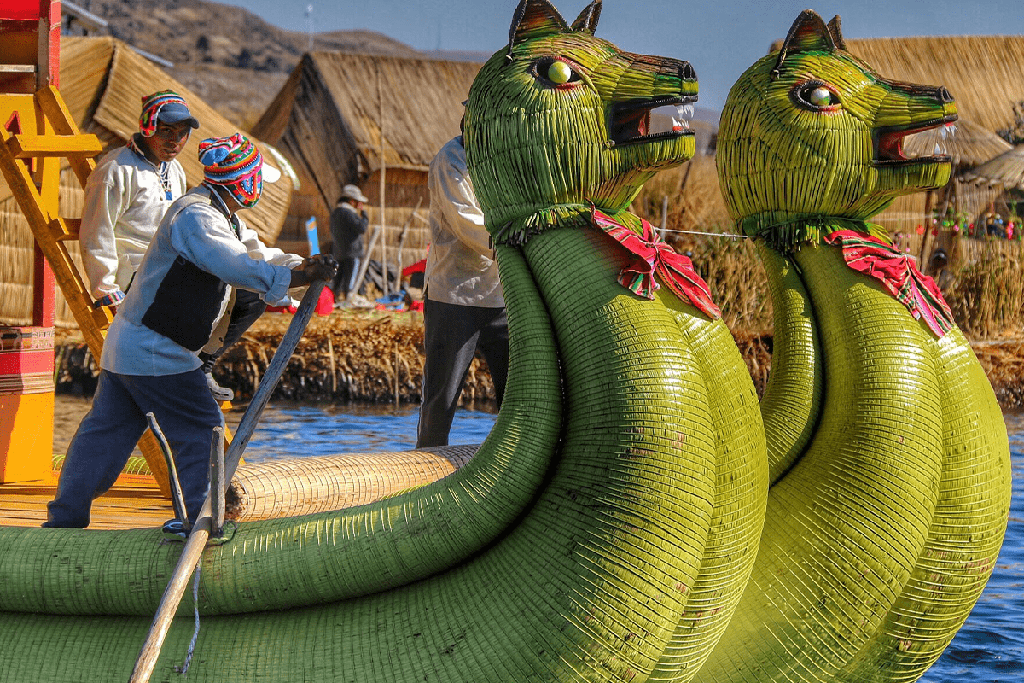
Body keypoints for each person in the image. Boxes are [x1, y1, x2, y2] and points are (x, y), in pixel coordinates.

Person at [43, 133, 337, 531]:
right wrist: (298, 275)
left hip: (133, 346)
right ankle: (201, 520)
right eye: (256, 179)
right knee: (202, 428)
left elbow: (256, 253)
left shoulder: (222, 216)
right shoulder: (196, 217)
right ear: (242, 182)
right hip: (155, 351)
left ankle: (65, 519)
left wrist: (302, 264)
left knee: (105, 437)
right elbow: (234, 265)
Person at [416, 135, 509, 448]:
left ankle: (517, 468)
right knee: (441, 399)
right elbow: (464, 220)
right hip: (453, 294)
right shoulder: (452, 159)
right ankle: (424, 470)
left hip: (502, 294)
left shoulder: (514, 155)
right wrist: (515, 242)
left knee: (516, 396)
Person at [78, 90, 198, 309]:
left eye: (182, 133)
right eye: (166, 131)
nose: (175, 141)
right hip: (133, 274)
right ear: (147, 127)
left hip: (166, 267)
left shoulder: (175, 170)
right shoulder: (116, 170)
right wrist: (106, 289)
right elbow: (97, 231)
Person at [330, 184, 369, 305]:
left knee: (338, 278)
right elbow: (362, 228)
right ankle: (349, 300)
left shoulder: (336, 213)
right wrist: (364, 215)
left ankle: (333, 299)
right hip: (352, 252)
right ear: (352, 201)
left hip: (339, 251)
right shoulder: (348, 213)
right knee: (350, 280)